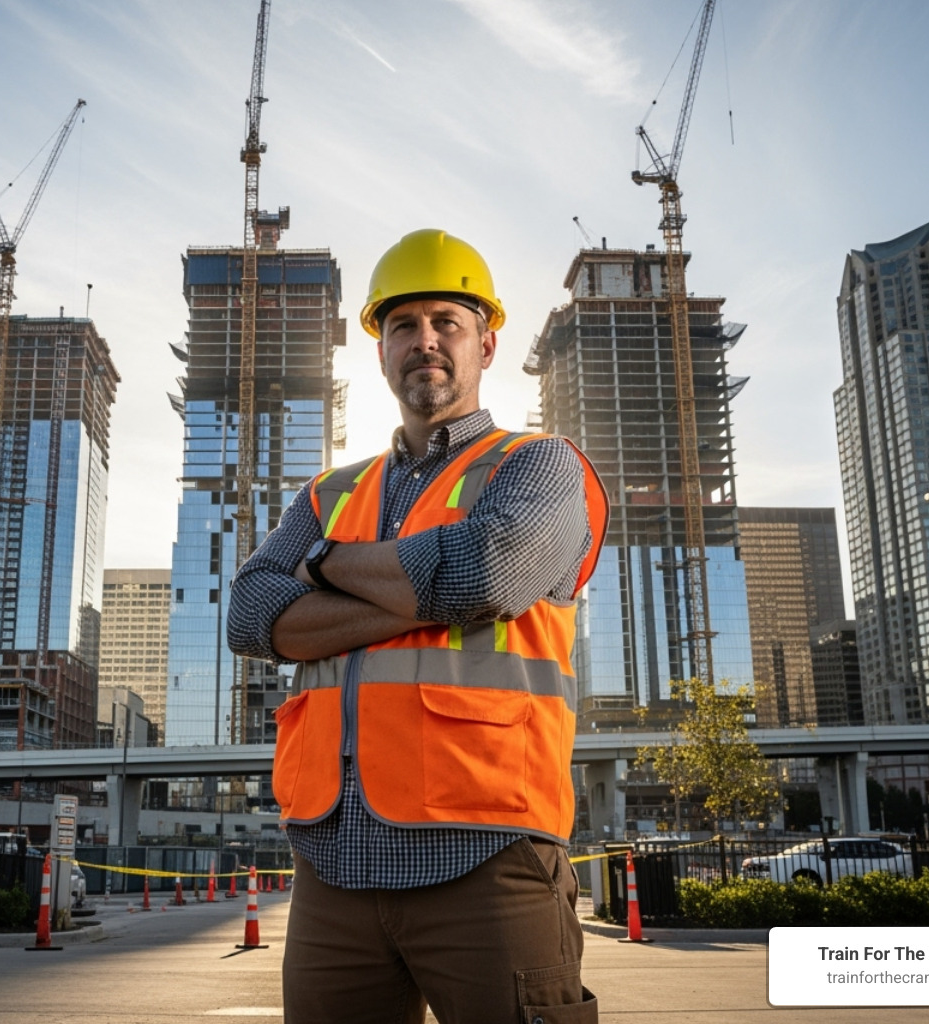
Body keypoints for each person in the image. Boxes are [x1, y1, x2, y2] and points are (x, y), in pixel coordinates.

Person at [228, 229, 609, 1024]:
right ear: (380, 351)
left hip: (489, 852)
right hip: (334, 863)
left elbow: (484, 576)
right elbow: (252, 615)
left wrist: (323, 564)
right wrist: (422, 590)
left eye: (447, 322)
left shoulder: (538, 464)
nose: (424, 340)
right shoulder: (330, 490)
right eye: (403, 324)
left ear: (486, 344)